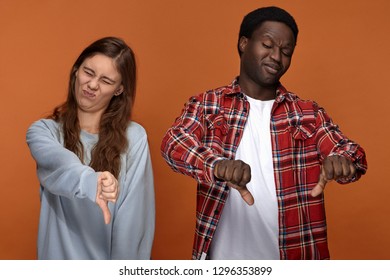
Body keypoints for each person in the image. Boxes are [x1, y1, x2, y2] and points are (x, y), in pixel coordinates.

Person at [161, 6, 367, 260]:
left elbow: (350, 152)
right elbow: (173, 142)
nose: (276, 57)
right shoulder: (208, 104)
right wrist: (217, 166)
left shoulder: (308, 113)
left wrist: (343, 161)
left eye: (286, 51)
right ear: (244, 43)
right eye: (268, 45)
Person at [26, 37, 155, 259]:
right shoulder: (43, 131)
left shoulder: (134, 138)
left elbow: (134, 226)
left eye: (105, 80)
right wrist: (91, 182)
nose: (93, 84)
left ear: (119, 90)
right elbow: (59, 163)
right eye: (89, 72)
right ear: (76, 70)